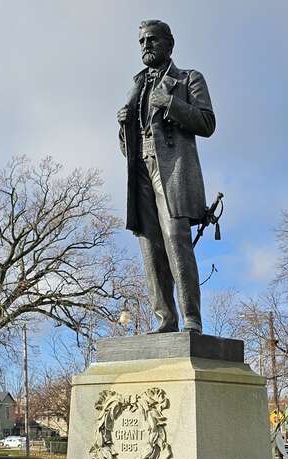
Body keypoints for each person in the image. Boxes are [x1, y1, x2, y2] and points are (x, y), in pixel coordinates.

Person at [117, 20, 216, 334]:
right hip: (141, 168)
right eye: (142, 41)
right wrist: (123, 127)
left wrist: (171, 103)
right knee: (150, 244)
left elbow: (207, 122)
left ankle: (191, 318)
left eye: (152, 40)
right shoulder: (137, 86)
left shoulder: (188, 78)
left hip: (172, 170)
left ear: (169, 45)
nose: (146, 45)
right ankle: (165, 317)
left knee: (176, 239)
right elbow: (127, 148)